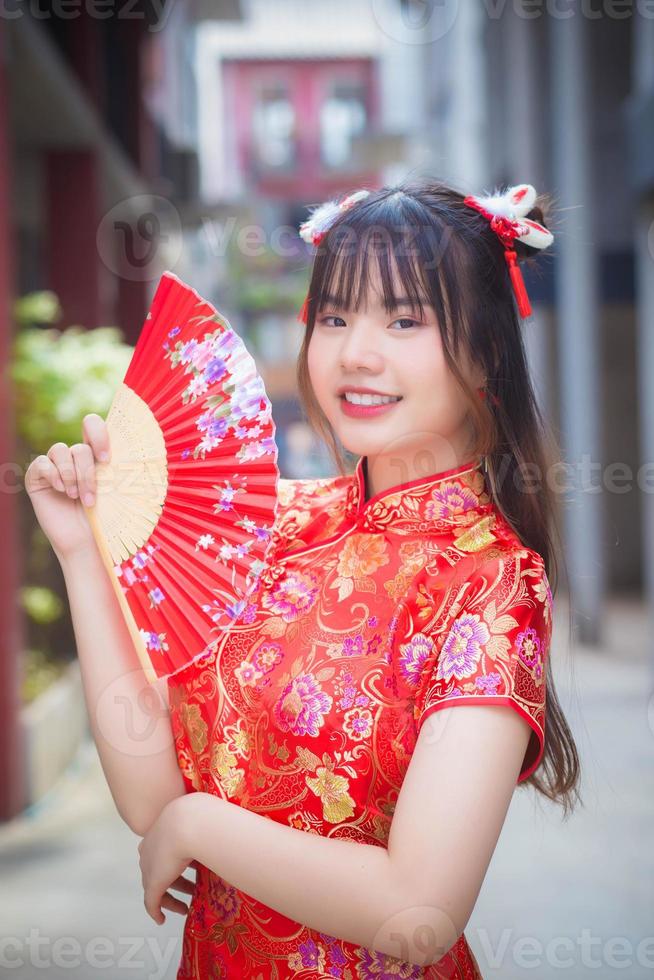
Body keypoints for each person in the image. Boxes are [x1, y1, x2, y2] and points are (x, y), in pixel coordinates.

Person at [27, 177, 582, 979]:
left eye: (404, 319)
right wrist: (82, 553)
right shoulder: (266, 522)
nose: (356, 351)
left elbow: (418, 913)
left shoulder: (491, 585)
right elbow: (152, 801)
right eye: (334, 316)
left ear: (486, 348)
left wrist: (198, 827)